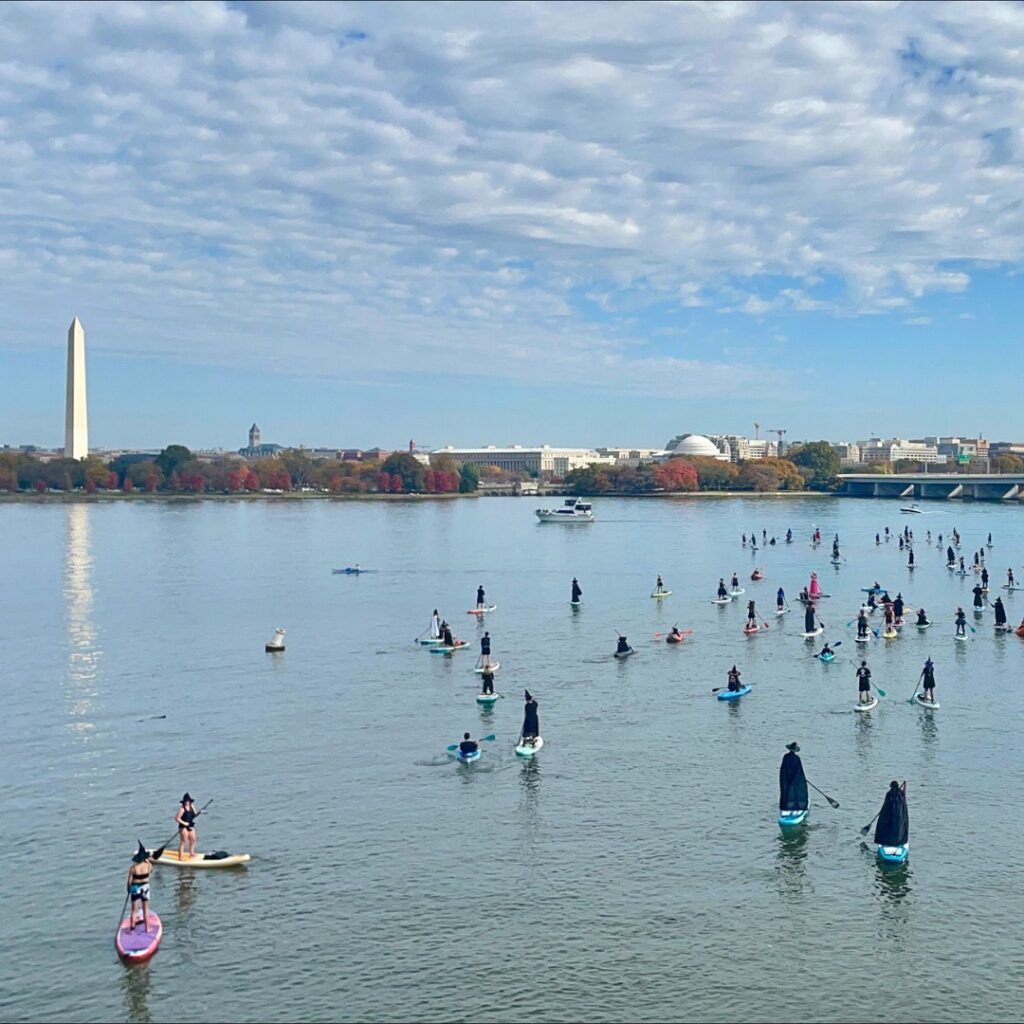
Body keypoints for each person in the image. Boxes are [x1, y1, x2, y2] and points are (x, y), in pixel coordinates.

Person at [125, 841, 155, 932]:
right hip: (145, 888)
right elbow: (151, 871)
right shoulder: (149, 865)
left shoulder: (133, 868)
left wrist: (128, 889)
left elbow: (129, 881)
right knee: (145, 909)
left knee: (134, 910)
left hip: (135, 887)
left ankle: (132, 929)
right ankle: (147, 928)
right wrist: (147, 860)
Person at [874, 781, 909, 849]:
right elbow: (904, 794)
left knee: (886, 826)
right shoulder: (900, 793)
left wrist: (882, 811)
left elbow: (886, 804)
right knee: (898, 827)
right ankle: (898, 841)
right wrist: (905, 785)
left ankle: (886, 840)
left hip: (889, 815)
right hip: (899, 816)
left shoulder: (889, 793)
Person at [779, 742, 808, 813]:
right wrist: (801, 778)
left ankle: (786, 806)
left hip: (786, 778)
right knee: (797, 790)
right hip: (795, 778)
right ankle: (798, 806)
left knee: (787, 791)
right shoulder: (797, 758)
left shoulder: (785, 756)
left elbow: (783, 769)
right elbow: (799, 770)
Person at [176, 793, 200, 861]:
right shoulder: (182, 809)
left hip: (191, 825)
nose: (187, 802)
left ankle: (191, 853)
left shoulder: (192, 806)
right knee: (183, 841)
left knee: (193, 839)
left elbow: (195, 815)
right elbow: (177, 818)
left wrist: (200, 812)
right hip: (183, 826)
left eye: (188, 801)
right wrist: (184, 823)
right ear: (184, 802)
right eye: (186, 801)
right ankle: (180, 857)